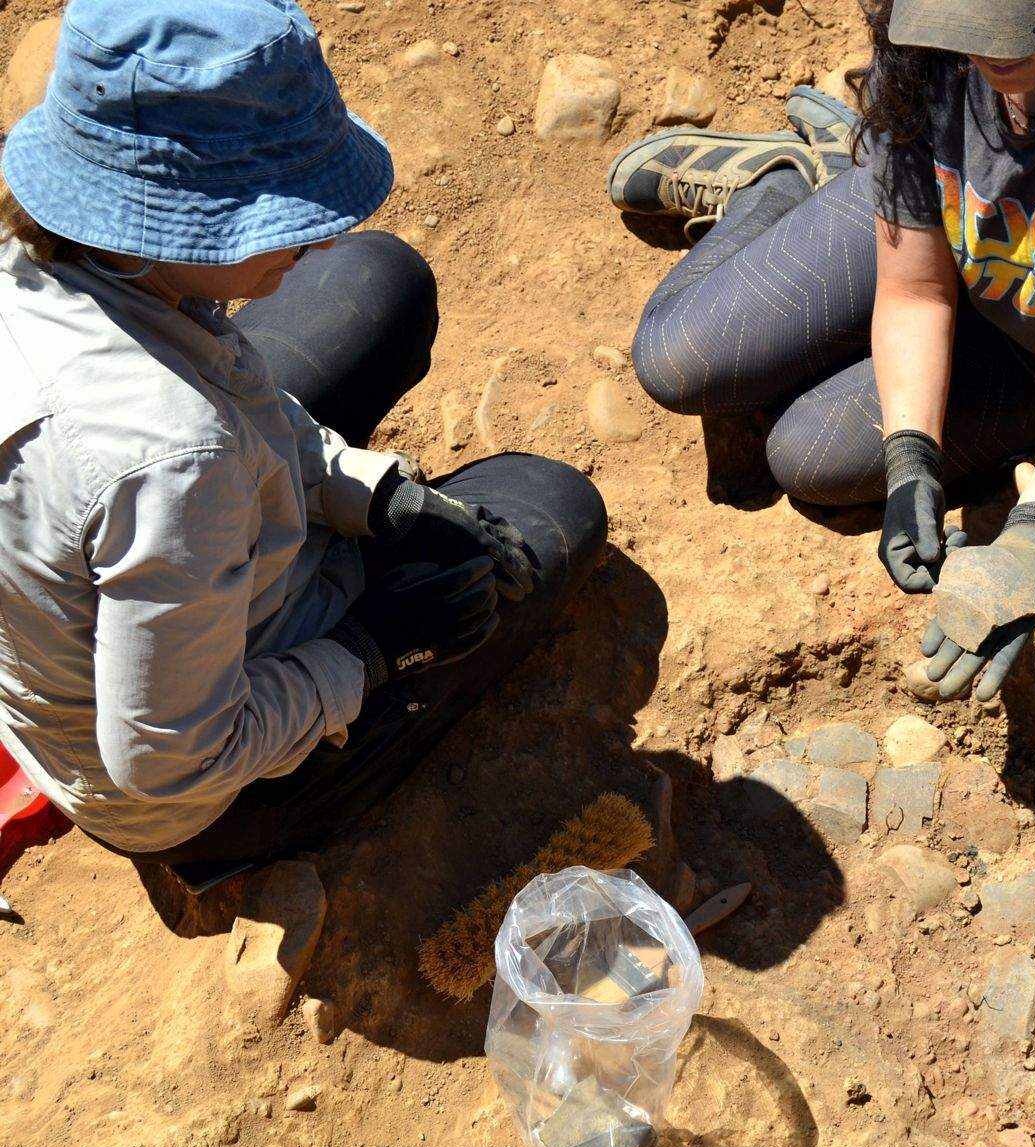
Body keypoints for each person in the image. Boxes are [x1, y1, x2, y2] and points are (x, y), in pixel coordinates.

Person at [0, 0, 607, 875]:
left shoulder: (62, 253)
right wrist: (372, 651)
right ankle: (271, 825)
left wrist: (373, 489)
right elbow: (170, 763)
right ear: (165, 222)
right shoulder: (174, 460)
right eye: (278, 216)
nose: (318, 235)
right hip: (198, 790)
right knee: (551, 504)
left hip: (147, 564)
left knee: (377, 278)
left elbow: (232, 394)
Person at [608, 0, 1035, 699]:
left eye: (1014, 24)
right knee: (675, 357)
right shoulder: (923, 26)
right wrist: (911, 453)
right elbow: (916, 292)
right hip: (960, 245)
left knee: (806, 456)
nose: (989, 55)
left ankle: (833, 182)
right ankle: (785, 179)